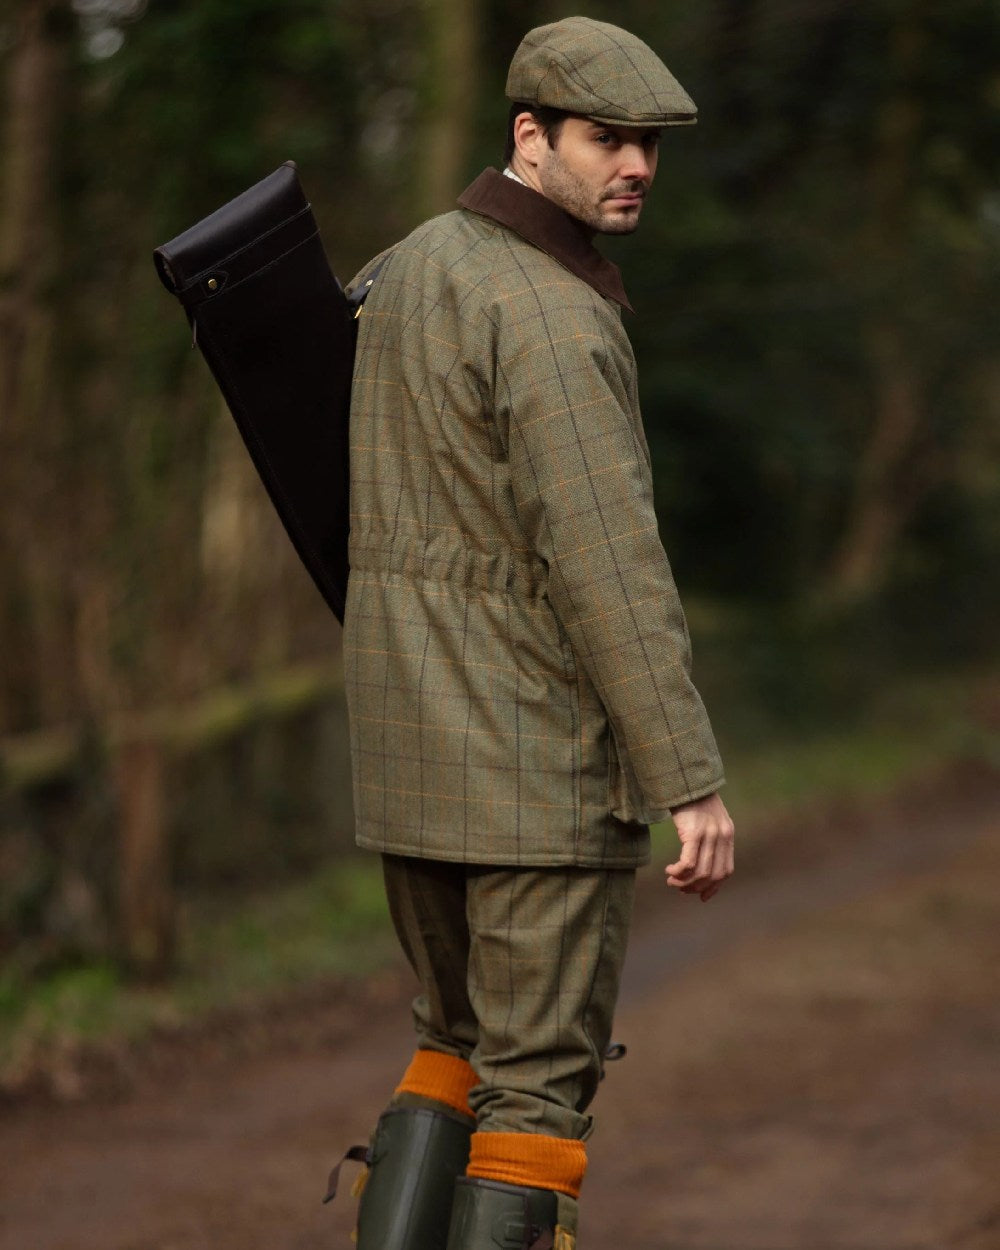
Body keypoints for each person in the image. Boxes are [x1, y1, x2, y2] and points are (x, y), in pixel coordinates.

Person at [332, 15, 735, 1249]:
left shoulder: (404, 268)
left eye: (648, 147)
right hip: (531, 772)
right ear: (530, 135)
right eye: (606, 138)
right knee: (534, 1092)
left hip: (409, 757)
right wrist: (689, 779)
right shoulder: (554, 316)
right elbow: (609, 566)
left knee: (449, 1046)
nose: (634, 167)